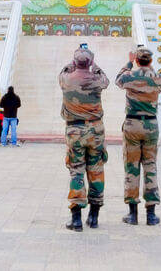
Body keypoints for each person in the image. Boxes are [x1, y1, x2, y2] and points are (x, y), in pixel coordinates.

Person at [59, 43, 110, 231]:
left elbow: (64, 71)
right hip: (95, 131)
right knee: (96, 170)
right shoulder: (97, 80)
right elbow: (106, 80)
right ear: (90, 61)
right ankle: (94, 216)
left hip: (75, 131)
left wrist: (73, 63)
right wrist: (94, 65)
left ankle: (76, 218)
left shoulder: (66, 79)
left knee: (76, 171)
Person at [115, 44, 161, 225]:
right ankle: (151, 214)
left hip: (132, 124)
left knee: (132, 167)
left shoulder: (130, 76)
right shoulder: (157, 78)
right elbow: (157, 80)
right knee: (150, 166)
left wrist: (129, 63)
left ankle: (132, 213)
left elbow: (118, 80)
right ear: (151, 61)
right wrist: (148, 66)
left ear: (137, 60)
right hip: (151, 125)